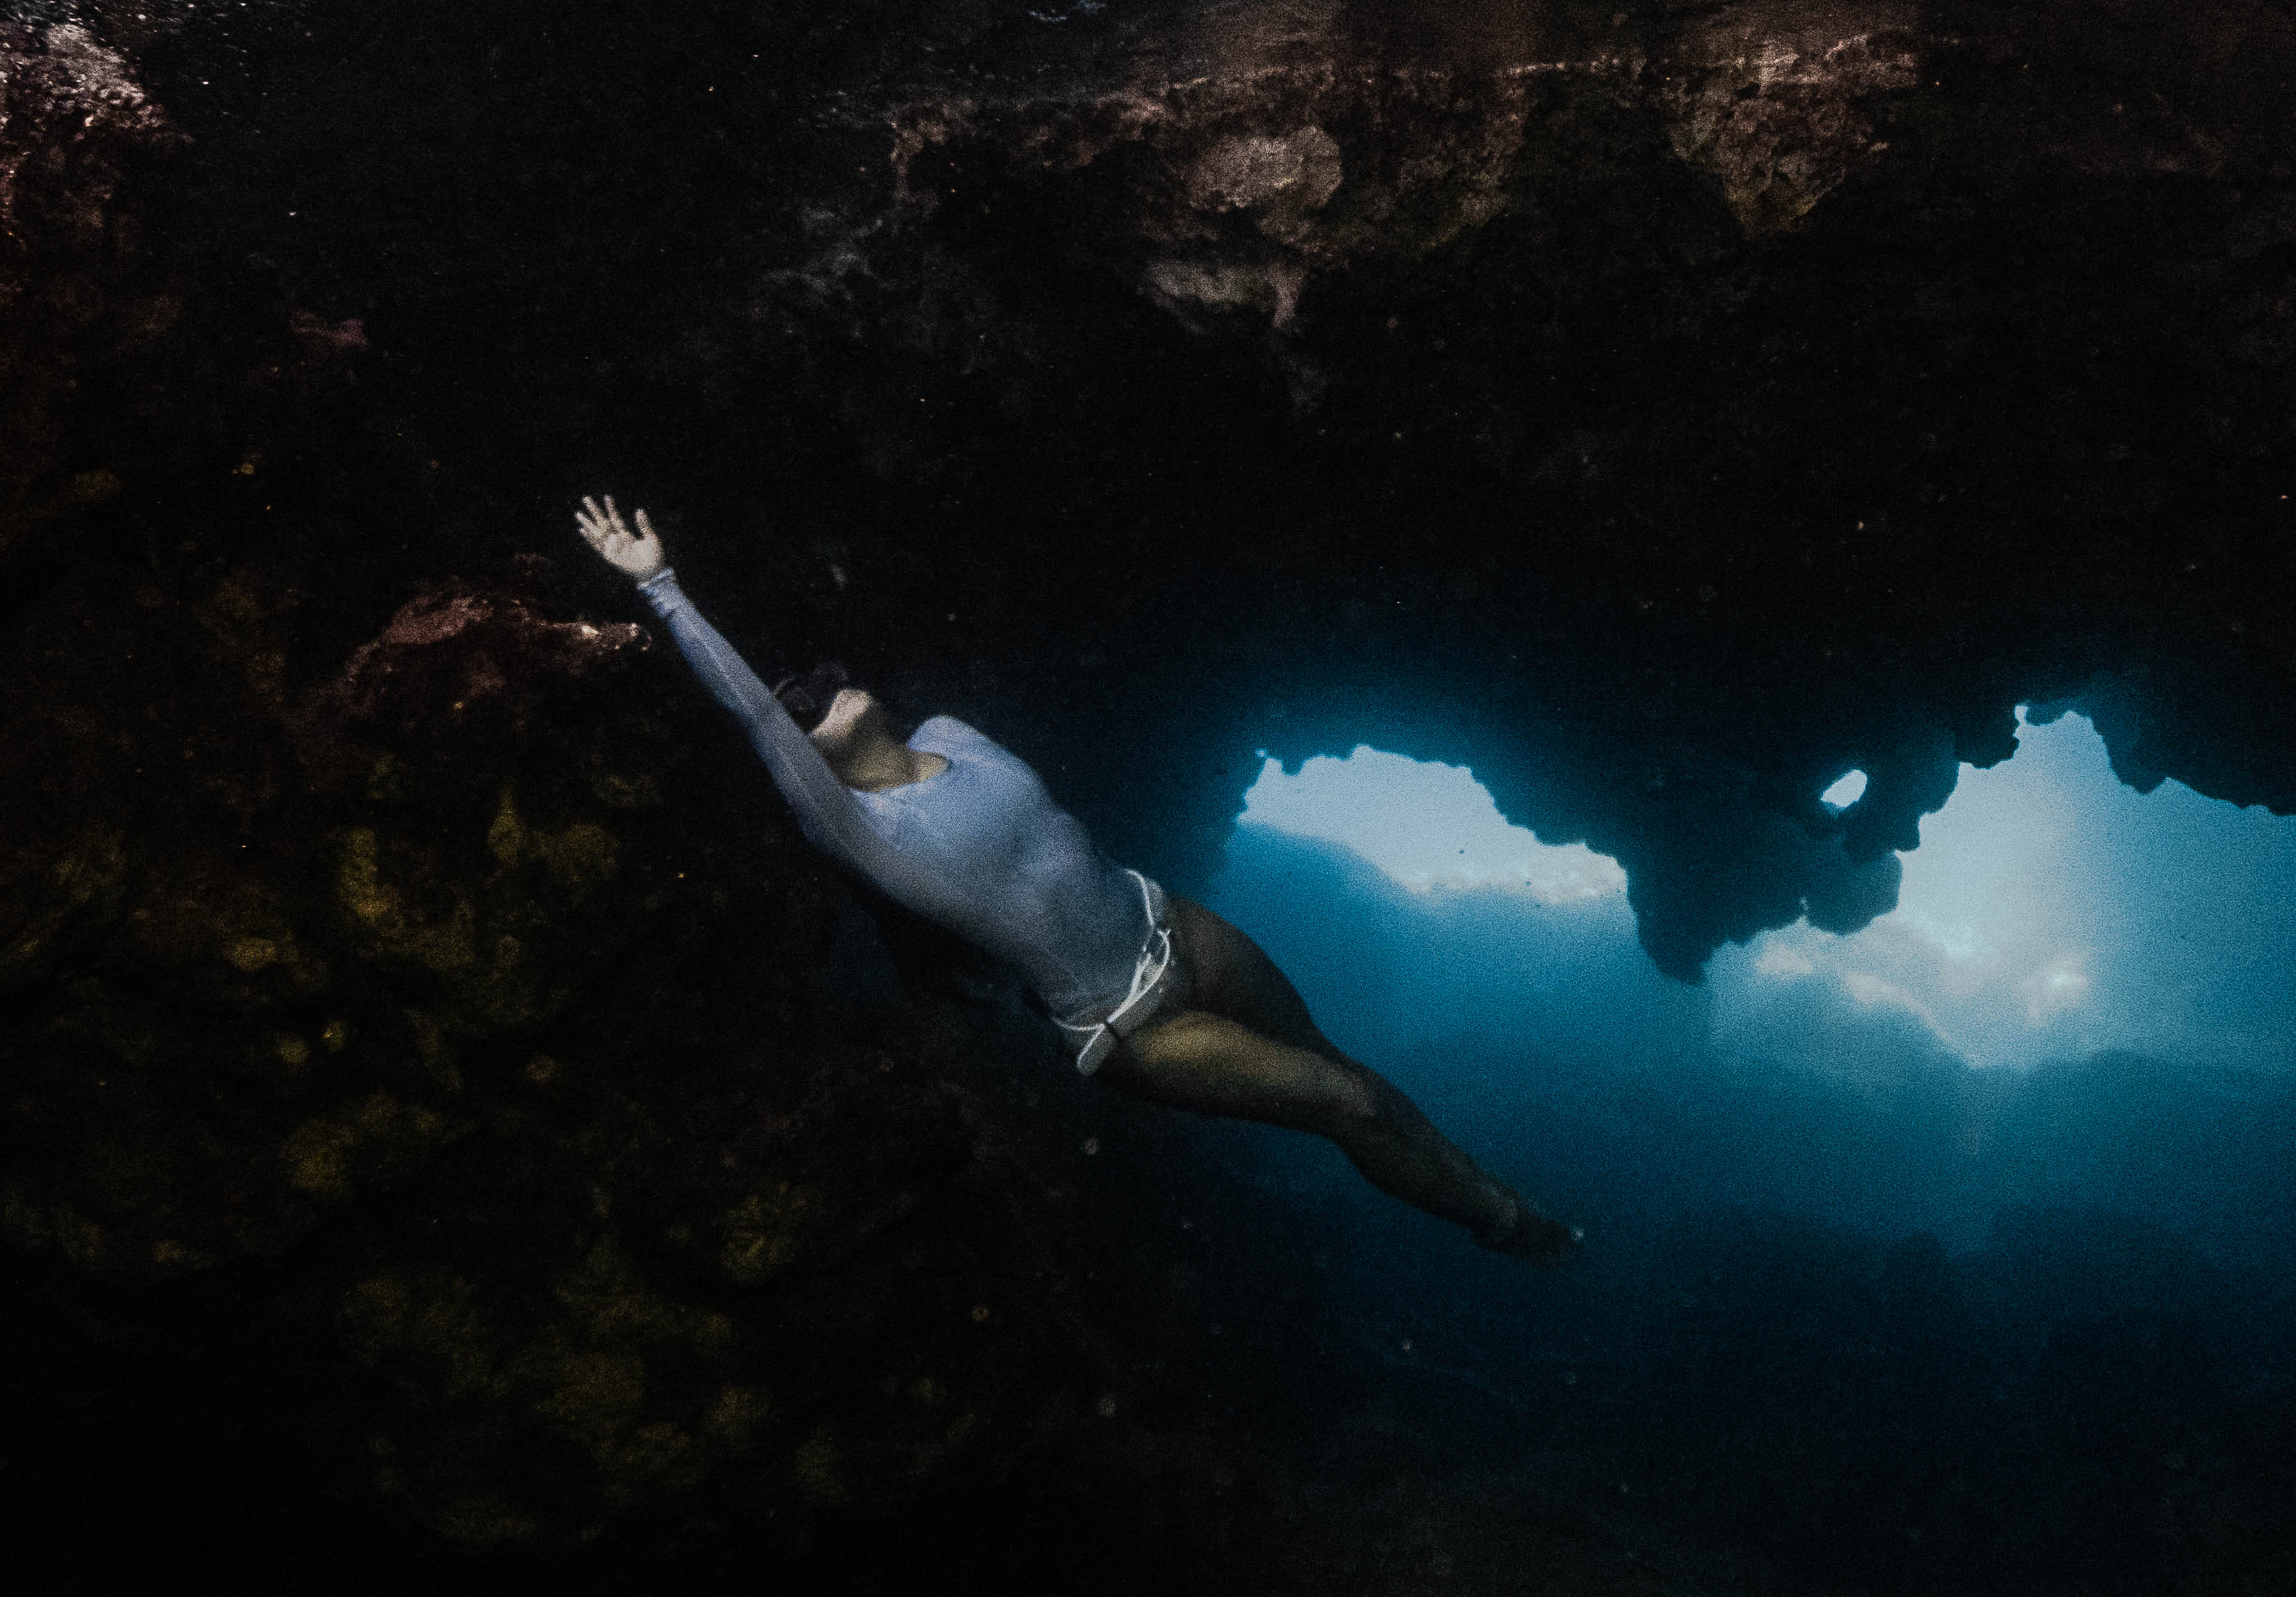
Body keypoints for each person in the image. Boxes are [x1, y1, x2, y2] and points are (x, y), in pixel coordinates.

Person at [570, 497, 1579, 1262]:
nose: (816, 693)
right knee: (1342, 1102)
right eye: (806, 705)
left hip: (1173, 919)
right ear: (809, 763)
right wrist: (660, 586)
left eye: (820, 678)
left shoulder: (949, 732)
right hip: (1132, 1025)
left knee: (1342, 1064)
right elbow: (753, 715)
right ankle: (1507, 1226)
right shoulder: (857, 828)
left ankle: (1490, 1189)